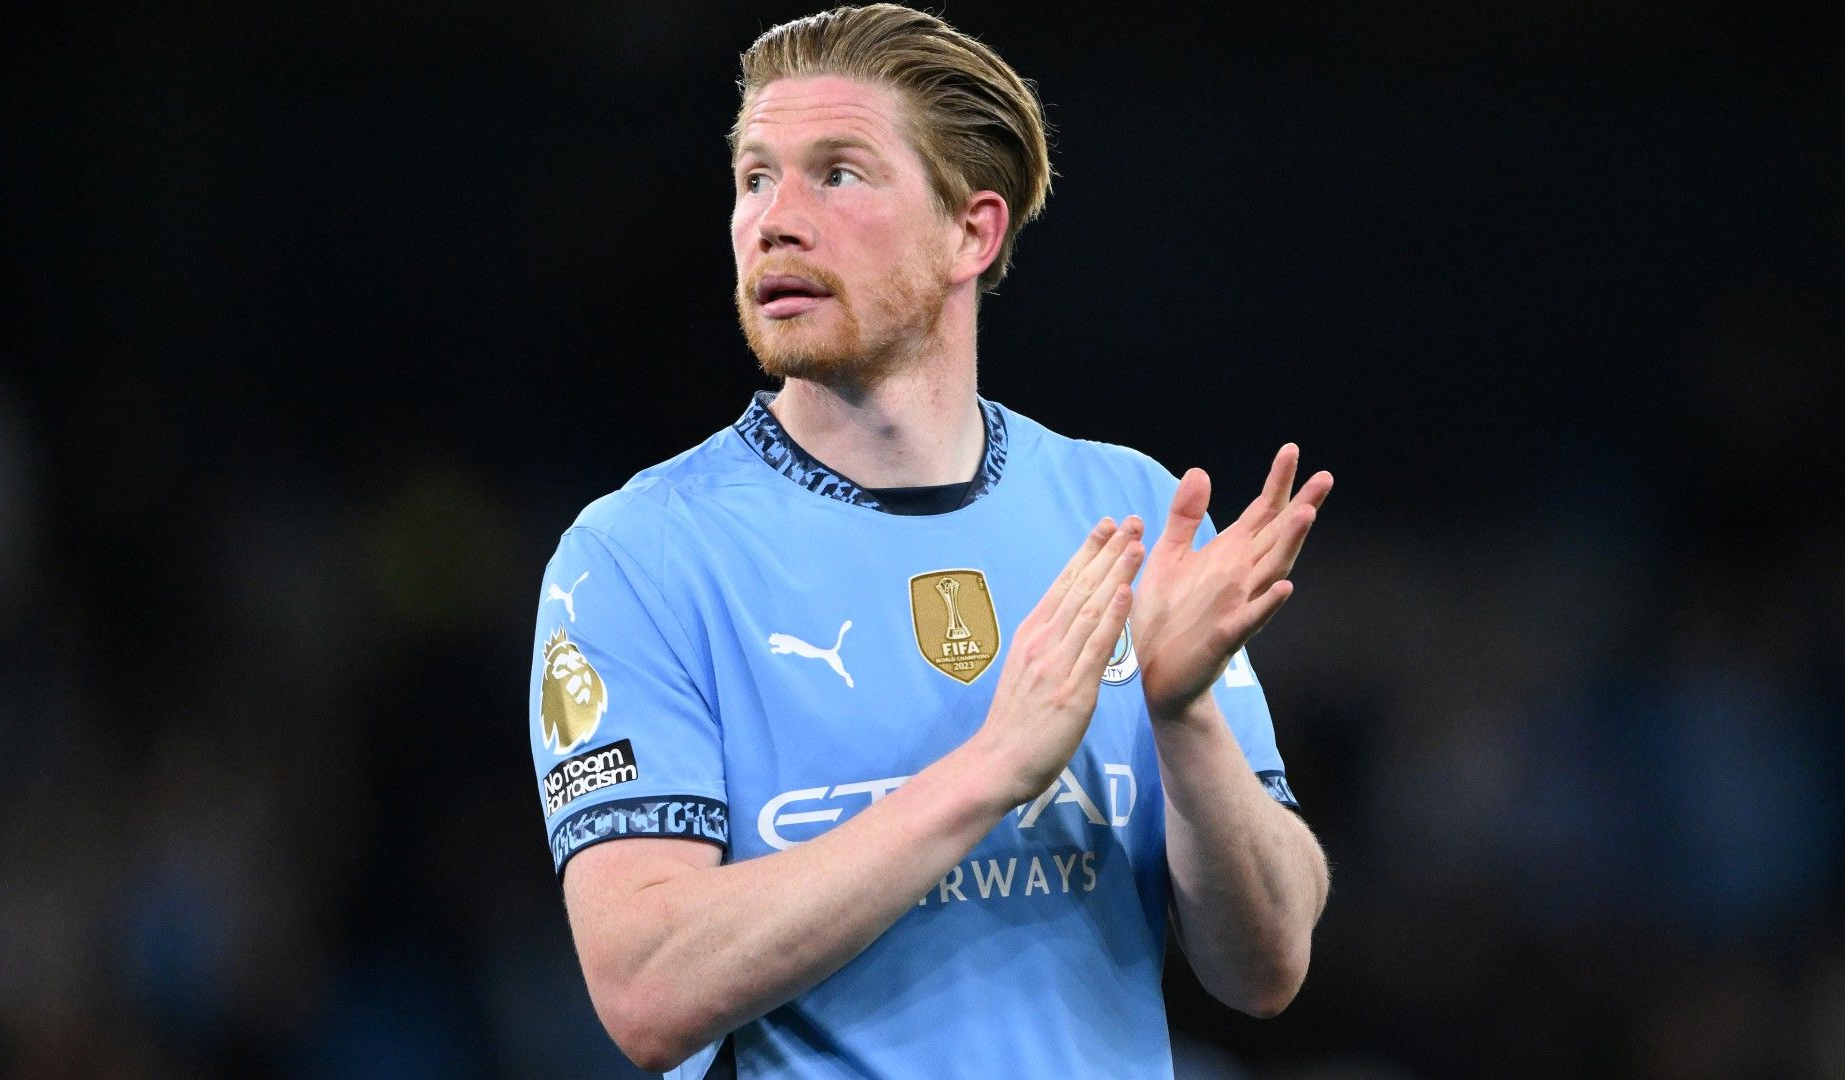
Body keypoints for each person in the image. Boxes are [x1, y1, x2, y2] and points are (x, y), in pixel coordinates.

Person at [527, 6, 1332, 1076]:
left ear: (973, 232)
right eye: (755, 177)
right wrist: (990, 769)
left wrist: (1183, 720)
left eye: (839, 174)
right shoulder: (636, 557)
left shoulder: (1130, 513)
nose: (775, 219)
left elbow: (1266, 965)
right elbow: (645, 986)